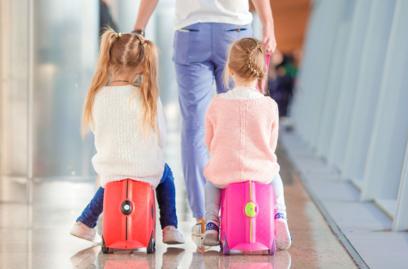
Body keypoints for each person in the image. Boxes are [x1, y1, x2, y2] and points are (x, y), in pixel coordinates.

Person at [132, 0, 278, 243]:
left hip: (191, 33)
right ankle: (243, 207)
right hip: (235, 32)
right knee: (244, 118)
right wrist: (268, 26)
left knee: (193, 129)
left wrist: (138, 28)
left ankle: (204, 219)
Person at [70, 29, 184, 245]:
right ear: (143, 64)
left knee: (109, 181)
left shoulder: (97, 96)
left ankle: (85, 223)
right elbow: (162, 137)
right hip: (146, 169)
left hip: (110, 169)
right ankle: (170, 227)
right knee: (166, 176)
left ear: (109, 58)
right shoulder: (148, 97)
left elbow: (97, 130)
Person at [202, 38, 291, 250]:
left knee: (210, 181)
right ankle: (280, 216)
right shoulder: (270, 105)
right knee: (275, 175)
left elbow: (209, 141)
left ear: (230, 69)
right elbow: (271, 145)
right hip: (260, 173)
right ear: (261, 72)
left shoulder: (217, 103)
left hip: (225, 172)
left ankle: (212, 224)